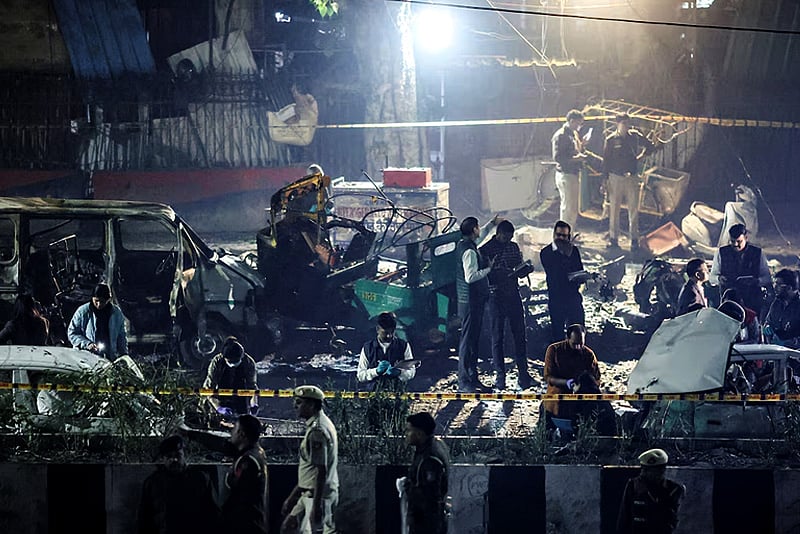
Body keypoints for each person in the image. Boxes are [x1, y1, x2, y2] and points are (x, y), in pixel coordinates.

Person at [479, 220, 535, 390]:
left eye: (510, 237)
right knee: (497, 337)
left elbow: (518, 267)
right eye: (505, 237)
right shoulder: (485, 250)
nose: (508, 240)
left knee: (520, 335)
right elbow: (482, 275)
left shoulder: (513, 247)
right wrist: (496, 272)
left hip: (513, 293)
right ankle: (500, 377)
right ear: (498, 234)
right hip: (496, 296)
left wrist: (525, 269)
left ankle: (523, 375)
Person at [282, 385, 339, 534]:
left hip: (316, 496)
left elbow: (321, 470)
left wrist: (316, 505)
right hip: (309, 493)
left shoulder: (317, 431)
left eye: (299, 402)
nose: (295, 406)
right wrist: (293, 497)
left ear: (312, 405)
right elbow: (311, 469)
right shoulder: (320, 424)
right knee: (288, 528)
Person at [137, 435, 220, 534]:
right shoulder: (153, 483)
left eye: (178, 455)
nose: (174, 460)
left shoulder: (199, 479)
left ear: (184, 455)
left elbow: (212, 514)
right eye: (169, 456)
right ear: (163, 459)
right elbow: (145, 518)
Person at [603, 113, 658, 252]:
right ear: (617, 124)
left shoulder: (634, 136)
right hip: (615, 176)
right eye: (624, 123)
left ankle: (634, 239)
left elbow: (650, 146)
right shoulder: (611, 140)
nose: (626, 126)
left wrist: (641, 156)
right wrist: (604, 180)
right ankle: (613, 239)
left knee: (633, 208)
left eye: (628, 123)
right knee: (614, 209)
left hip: (631, 176)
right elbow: (606, 161)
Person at [455, 216, 496, 392]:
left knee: (472, 340)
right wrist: (488, 269)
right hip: (471, 302)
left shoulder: (464, 244)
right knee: (467, 341)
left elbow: (481, 236)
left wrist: (492, 224)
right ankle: (464, 381)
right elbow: (470, 277)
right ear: (473, 230)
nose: (480, 230)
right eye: (478, 227)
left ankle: (472, 377)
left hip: (470, 302)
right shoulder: (469, 252)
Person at [400, 412, 450, 534]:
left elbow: (430, 495)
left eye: (409, 430)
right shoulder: (431, 447)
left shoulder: (429, 458)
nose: (406, 434)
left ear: (419, 433)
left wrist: (407, 487)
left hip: (426, 523)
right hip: (426, 521)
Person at [542, 324, 600, 429]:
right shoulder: (554, 350)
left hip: (580, 404)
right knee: (547, 432)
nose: (578, 347)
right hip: (556, 401)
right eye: (574, 344)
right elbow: (548, 377)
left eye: (581, 344)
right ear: (567, 338)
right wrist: (566, 383)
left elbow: (596, 379)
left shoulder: (589, 354)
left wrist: (583, 387)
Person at [616, 448, 685, 534]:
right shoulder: (633, 485)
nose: (643, 473)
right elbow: (624, 517)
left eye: (648, 470)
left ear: (661, 471)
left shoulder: (673, 489)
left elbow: (672, 520)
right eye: (643, 469)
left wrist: (649, 495)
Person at [710, 223, 771, 316]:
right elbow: (712, 277)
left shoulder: (757, 253)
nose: (735, 244)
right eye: (732, 241)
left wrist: (757, 281)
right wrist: (719, 279)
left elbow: (767, 277)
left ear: (746, 238)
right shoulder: (721, 252)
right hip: (729, 303)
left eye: (739, 241)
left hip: (752, 301)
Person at [540, 221, 586, 342]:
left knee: (578, 333)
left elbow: (579, 270)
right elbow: (556, 273)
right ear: (554, 235)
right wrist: (565, 255)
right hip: (557, 299)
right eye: (558, 235)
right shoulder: (546, 252)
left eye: (564, 236)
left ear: (568, 237)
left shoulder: (574, 251)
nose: (561, 238)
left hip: (573, 298)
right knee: (558, 336)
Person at [223, 414, 269, 534]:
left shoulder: (248, 461)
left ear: (241, 434)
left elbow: (239, 495)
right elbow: (222, 446)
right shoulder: (256, 451)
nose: (231, 433)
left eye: (234, 429)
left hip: (246, 524)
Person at [356, 311, 416, 390]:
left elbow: (412, 372)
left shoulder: (404, 346)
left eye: (392, 332)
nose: (389, 336)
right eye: (385, 332)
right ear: (377, 329)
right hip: (373, 393)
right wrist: (375, 371)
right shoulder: (367, 347)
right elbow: (360, 375)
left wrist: (400, 373)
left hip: (397, 391)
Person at [67, 283, 128, 359]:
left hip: (109, 357)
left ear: (108, 300)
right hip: (85, 357)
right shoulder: (83, 312)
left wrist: (124, 354)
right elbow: (72, 333)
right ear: (92, 298)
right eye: (96, 301)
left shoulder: (116, 313)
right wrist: (87, 344)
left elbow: (121, 336)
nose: (99, 304)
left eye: (102, 301)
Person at [203, 336, 259, 417]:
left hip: (240, 396)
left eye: (236, 361)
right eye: (230, 361)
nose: (233, 364)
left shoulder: (248, 363)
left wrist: (254, 404)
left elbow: (252, 387)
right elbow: (208, 389)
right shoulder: (217, 362)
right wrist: (218, 408)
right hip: (218, 397)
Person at [551, 109, 586, 231]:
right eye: (578, 123)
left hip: (573, 174)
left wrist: (582, 145)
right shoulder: (561, 135)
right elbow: (558, 157)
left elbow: (574, 151)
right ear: (571, 121)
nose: (579, 126)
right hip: (566, 174)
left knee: (573, 207)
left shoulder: (572, 134)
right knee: (567, 208)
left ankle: (570, 232)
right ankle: (563, 235)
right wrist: (576, 158)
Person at [764, 269, 800, 349]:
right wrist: (767, 327)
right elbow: (769, 321)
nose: (775, 287)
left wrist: (787, 343)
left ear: (789, 288)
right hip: (776, 351)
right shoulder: (776, 303)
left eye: (779, 284)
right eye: (774, 283)